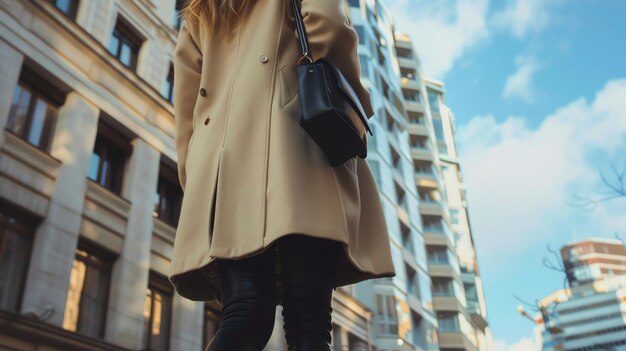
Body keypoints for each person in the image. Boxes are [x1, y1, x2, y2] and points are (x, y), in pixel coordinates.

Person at [168, 0, 396, 350]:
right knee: (309, 322)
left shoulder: (199, 11)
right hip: (298, 151)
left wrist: (199, 184)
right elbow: (329, 23)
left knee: (244, 313)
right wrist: (337, 92)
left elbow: (187, 111)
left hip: (224, 170)